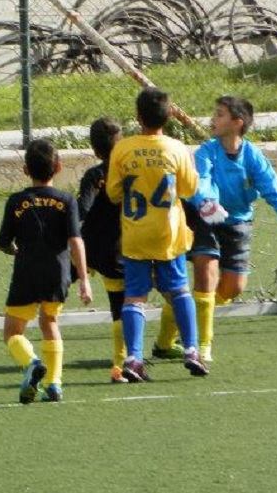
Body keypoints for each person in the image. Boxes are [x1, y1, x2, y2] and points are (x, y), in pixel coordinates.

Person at [157, 95, 277, 362]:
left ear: (237, 123)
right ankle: (201, 346)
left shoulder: (253, 156)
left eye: (219, 115)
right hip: (204, 218)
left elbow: (272, 188)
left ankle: (184, 318)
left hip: (238, 222)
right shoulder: (207, 151)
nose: (212, 119)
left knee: (233, 288)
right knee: (206, 275)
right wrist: (207, 202)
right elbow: (202, 180)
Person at [105, 87, 209, 381]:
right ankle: (192, 350)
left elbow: (113, 193)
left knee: (134, 297)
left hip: (136, 234)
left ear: (138, 117)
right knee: (179, 290)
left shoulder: (122, 149)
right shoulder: (176, 148)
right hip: (168, 234)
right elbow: (188, 190)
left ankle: (134, 358)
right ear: (169, 116)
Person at [0, 138, 92, 404]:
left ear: (25, 170)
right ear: (58, 167)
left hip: (27, 273)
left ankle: (32, 363)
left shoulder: (16, 201)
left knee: (12, 332)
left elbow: (3, 242)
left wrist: (15, 251)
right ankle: (54, 384)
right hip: (57, 273)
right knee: (49, 322)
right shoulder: (67, 200)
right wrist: (84, 279)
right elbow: (76, 241)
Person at [77, 117, 129, 384]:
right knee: (120, 306)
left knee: (55, 290)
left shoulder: (93, 176)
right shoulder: (130, 174)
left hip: (88, 247)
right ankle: (121, 363)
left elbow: (82, 210)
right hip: (118, 250)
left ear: (95, 151)